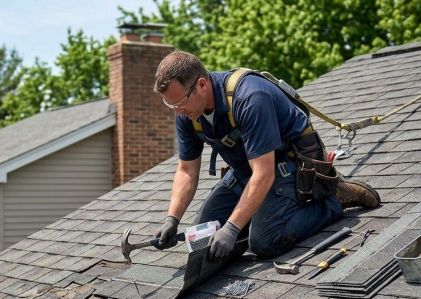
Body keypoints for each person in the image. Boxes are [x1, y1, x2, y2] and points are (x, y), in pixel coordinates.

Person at [153, 51, 380, 260]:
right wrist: (172, 219)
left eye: (180, 102)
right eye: (169, 105)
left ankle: (333, 200)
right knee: (201, 240)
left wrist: (232, 228)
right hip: (246, 172)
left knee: (264, 241)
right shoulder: (187, 114)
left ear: (201, 85)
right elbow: (186, 171)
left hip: (289, 166)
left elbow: (264, 173)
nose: (177, 111)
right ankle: (259, 214)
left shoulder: (250, 97)